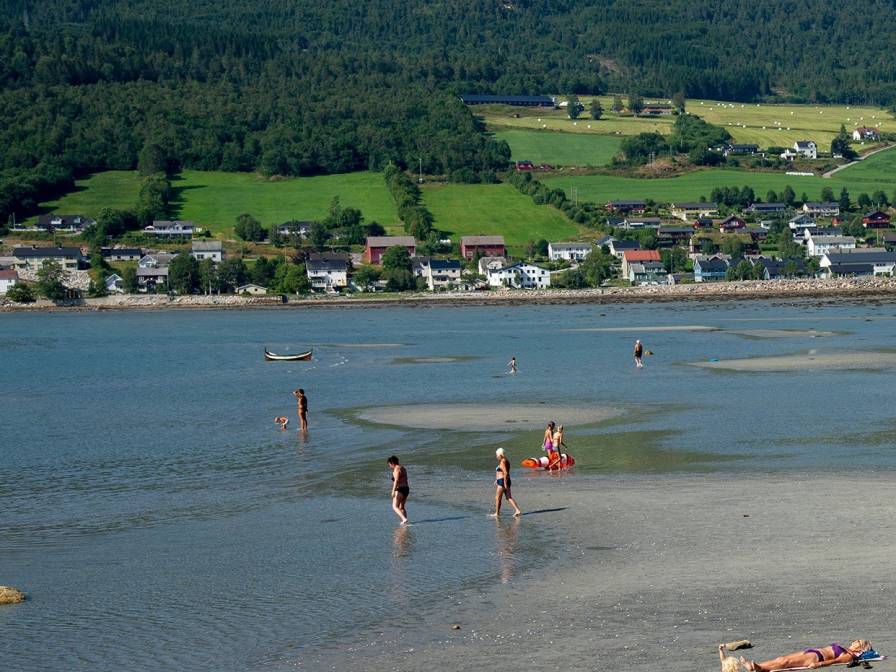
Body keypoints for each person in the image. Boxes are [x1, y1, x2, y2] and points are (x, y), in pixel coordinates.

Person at [740, 640, 872, 671]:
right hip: (812, 651)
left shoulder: (849, 655)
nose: (855, 641)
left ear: (860, 648)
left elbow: (834, 661)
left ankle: (756, 667)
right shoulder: (845, 648)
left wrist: (818, 664)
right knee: (781, 659)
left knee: (784, 662)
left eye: (858, 642)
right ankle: (760, 667)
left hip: (816, 657)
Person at [491, 448, 521, 517]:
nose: (496, 456)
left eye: (497, 455)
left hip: (502, 481)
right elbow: (503, 471)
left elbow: (506, 473)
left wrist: (504, 482)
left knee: (497, 498)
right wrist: (497, 480)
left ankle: (497, 513)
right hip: (504, 480)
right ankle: (517, 510)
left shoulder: (502, 461)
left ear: (500, 454)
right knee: (508, 497)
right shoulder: (506, 460)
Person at [387, 456, 410, 524]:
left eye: (389, 465)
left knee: (394, 506)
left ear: (392, 463)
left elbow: (396, 480)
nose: (390, 466)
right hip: (406, 489)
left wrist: (393, 491)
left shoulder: (396, 469)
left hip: (400, 489)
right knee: (401, 507)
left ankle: (404, 519)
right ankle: (405, 522)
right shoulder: (403, 468)